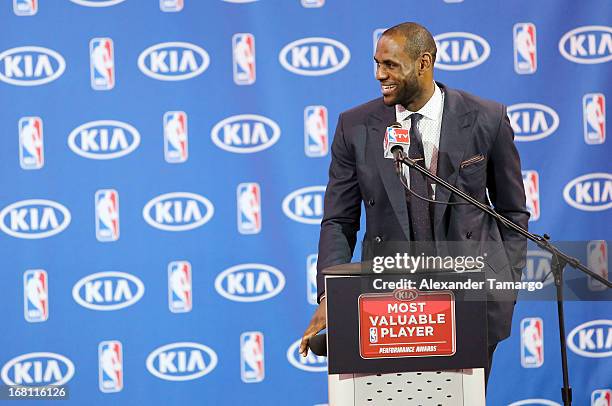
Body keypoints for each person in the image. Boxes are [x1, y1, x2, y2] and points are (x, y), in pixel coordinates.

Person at [299, 22, 529, 383]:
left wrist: (504, 287)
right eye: (376, 64)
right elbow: (339, 222)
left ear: (423, 62)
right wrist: (330, 295)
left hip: (470, 304)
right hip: (390, 309)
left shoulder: (487, 118)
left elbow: (512, 212)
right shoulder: (355, 127)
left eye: (390, 65)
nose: (379, 75)